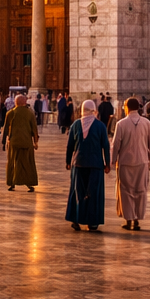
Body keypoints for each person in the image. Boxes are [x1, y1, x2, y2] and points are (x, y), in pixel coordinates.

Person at [65, 99, 110, 232]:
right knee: (93, 193)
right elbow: (105, 146)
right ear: (94, 110)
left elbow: (70, 146)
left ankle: (76, 219)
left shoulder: (76, 125)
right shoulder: (100, 126)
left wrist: (68, 161)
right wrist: (107, 163)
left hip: (78, 163)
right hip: (95, 164)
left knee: (78, 191)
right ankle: (92, 222)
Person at [110, 97, 150, 230]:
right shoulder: (146, 123)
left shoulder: (121, 124)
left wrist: (113, 160)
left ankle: (129, 220)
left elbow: (116, 144)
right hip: (142, 161)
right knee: (140, 190)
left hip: (125, 162)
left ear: (127, 107)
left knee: (126, 191)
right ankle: (137, 219)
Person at [2, 93, 39, 192]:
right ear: (24, 102)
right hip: (27, 143)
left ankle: (12, 183)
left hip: (13, 143)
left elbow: (5, 129)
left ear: (15, 102)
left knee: (13, 162)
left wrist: (3, 142)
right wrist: (35, 142)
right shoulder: (30, 113)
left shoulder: (10, 113)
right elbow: (34, 129)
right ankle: (29, 184)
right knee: (27, 163)